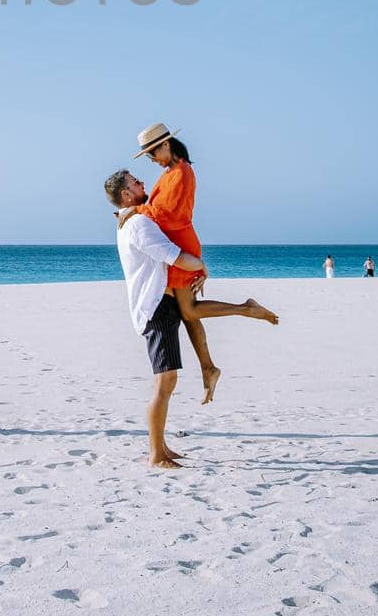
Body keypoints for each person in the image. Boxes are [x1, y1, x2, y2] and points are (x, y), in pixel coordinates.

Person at [105, 167, 279, 466]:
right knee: (165, 382)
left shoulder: (130, 221)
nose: (142, 182)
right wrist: (201, 266)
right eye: (135, 182)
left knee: (174, 363)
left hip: (160, 302)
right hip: (154, 307)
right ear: (125, 193)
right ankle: (157, 455)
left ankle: (164, 445)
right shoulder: (138, 225)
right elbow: (173, 255)